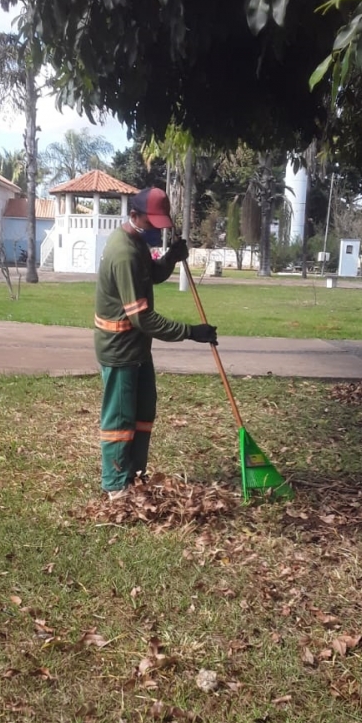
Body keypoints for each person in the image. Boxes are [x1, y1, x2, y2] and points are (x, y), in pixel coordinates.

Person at [94, 186, 218, 498]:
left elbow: (152, 276)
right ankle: (116, 487)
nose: (155, 231)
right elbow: (143, 318)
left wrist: (172, 257)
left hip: (138, 347)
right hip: (120, 348)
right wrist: (191, 332)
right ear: (133, 216)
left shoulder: (136, 242)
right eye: (151, 224)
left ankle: (135, 475)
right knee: (120, 418)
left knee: (143, 411)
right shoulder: (124, 252)